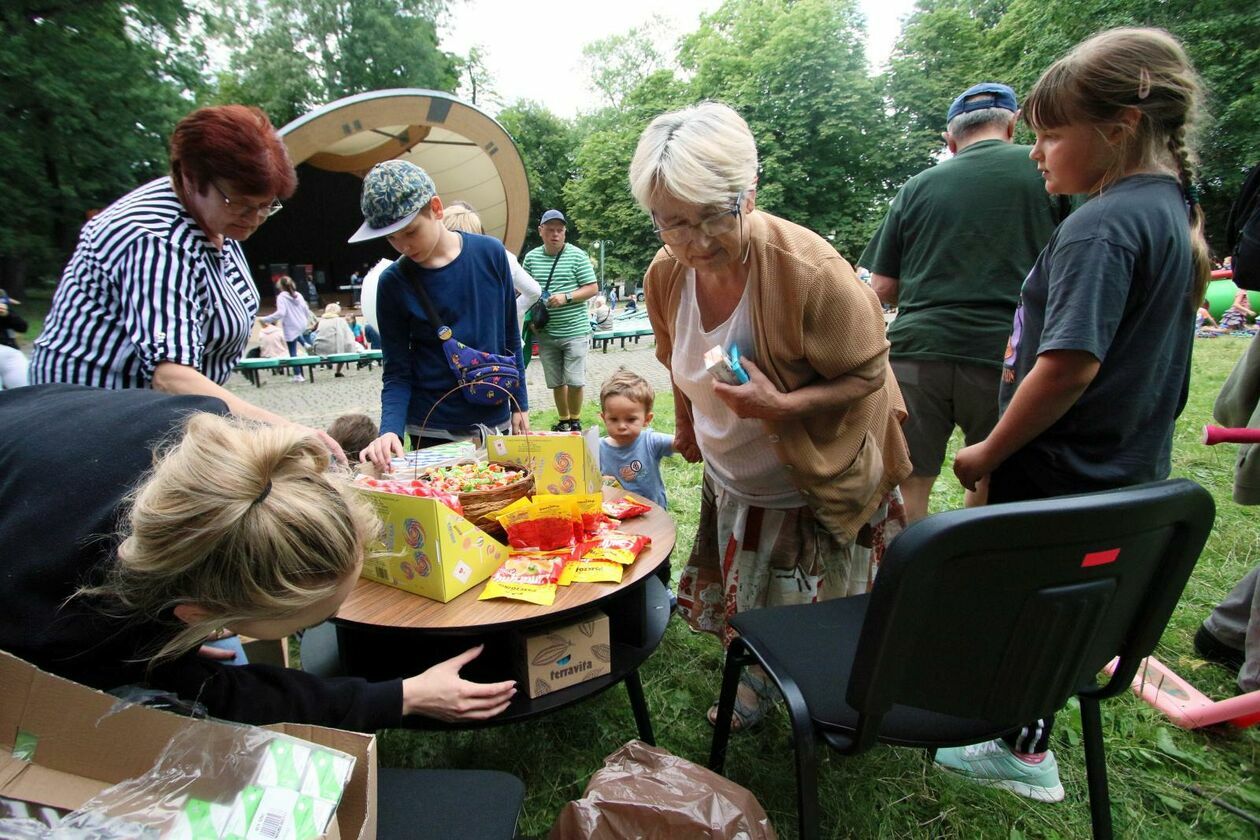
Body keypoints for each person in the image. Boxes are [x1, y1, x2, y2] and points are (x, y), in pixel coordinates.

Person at [945, 27, 1211, 802]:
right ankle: (1021, 732)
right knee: (1061, 612)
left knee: (1031, 612)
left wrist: (987, 450)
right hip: (1121, 466)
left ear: (1117, 129)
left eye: (1053, 135)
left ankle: (1022, 752)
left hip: (1061, 469)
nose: (1038, 153)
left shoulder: (1100, 226)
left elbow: (1066, 368)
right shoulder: (1169, 211)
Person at [0, 384, 516, 730]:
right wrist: (401, 697)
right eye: (307, 625)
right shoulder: (59, 627)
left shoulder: (211, 438)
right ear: (197, 613)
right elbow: (220, 696)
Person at [629, 102, 911, 731]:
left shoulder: (812, 273)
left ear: (748, 193)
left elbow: (866, 374)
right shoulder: (665, 275)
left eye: (711, 218)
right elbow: (677, 357)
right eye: (673, 224)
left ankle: (815, 687)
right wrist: (683, 426)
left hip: (812, 472)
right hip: (736, 480)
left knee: (814, 608)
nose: (695, 243)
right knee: (752, 595)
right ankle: (753, 675)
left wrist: (778, 406)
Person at [27, 105, 344, 460]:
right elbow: (171, 376)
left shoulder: (220, 228)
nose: (254, 219)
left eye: (266, 206)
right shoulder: (155, 238)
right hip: (87, 428)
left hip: (151, 422)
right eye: (239, 203)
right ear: (192, 178)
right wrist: (282, 429)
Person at [860, 82, 1069, 522]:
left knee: (910, 481)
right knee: (992, 474)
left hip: (919, 353)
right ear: (1013, 126)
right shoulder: (1050, 172)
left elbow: (881, 285)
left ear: (950, 141)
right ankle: (977, 575)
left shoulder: (917, 187)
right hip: (1007, 355)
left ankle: (914, 580)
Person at [349, 161, 528, 469]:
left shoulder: (491, 254)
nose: (403, 245)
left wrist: (519, 404)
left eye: (410, 231)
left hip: (495, 421)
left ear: (435, 208)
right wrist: (390, 429)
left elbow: (511, 337)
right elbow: (396, 371)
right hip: (432, 431)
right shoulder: (393, 283)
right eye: (391, 238)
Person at [521, 210, 599, 431]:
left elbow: (592, 288)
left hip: (575, 330)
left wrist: (567, 297)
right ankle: (563, 420)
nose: (555, 234)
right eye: (550, 230)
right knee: (556, 382)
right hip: (546, 332)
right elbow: (524, 290)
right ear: (541, 231)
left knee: (575, 380)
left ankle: (575, 419)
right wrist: (530, 320)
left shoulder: (577, 256)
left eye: (560, 230)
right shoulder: (532, 258)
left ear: (564, 233)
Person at [443, 201, 541, 332]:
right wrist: (510, 313)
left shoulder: (435, 262)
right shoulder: (502, 256)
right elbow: (534, 291)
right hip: (498, 341)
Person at [598, 369, 677, 508]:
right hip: (616, 514)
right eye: (614, 419)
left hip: (652, 515)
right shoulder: (596, 448)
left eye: (631, 419)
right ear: (604, 418)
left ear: (647, 419)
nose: (622, 426)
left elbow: (681, 443)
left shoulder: (651, 442)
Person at [260, 275, 315, 381]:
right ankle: (305, 343)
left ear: (280, 286)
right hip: (301, 323)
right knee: (296, 333)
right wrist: (305, 319)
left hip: (291, 324)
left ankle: (298, 375)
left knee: (292, 351)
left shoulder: (281, 297)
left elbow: (281, 312)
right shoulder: (298, 295)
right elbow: (305, 309)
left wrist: (266, 319)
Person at [313, 302, 358, 377]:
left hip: (319, 347)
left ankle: (328, 364)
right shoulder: (339, 320)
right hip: (332, 347)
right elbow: (347, 336)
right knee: (344, 348)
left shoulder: (321, 321)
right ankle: (338, 371)